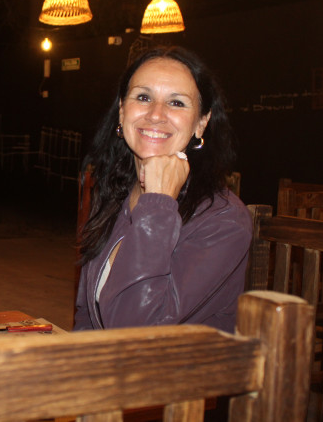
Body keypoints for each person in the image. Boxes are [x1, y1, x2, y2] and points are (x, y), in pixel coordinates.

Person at [74, 46, 251, 333]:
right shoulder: (116, 195)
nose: (156, 114)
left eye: (176, 103)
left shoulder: (224, 220)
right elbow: (86, 315)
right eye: (143, 97)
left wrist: (157, 203)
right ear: (122, 111)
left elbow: (135, 329)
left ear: (201, 123)